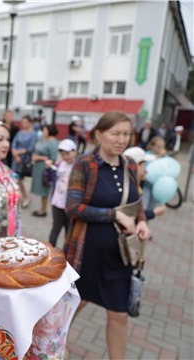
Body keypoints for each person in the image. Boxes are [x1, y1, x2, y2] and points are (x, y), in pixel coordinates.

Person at [64, 111, 151, 360]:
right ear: (99, 134)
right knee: (70, 308)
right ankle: (58, 344)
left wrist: (142, 222)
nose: (121, 139)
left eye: (126, 134)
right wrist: (114, 216)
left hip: (120, 256)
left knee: (119, 314)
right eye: (115, 133)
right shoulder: (85, 163)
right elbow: (73, 207)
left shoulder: (130, 165)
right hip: (86, 253)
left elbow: (136, 203)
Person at [123, 147, 166, 220]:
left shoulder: (135, 183)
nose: (146, 170)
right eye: (144, 165)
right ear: (137, 165)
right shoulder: (129, 187)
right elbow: (132, 215)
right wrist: (154, 212)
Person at [48, 139, 77, 247]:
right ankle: (50, 252)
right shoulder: (59, 165)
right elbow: (47, 180)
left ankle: (67, 256)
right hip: (57, 202)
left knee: (69, 232)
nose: (65, 157)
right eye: (63, 154)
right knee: (56, 228)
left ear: (75, 151)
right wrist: (47, 169)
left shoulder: (79, 167)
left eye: (68, 153)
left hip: (71, 205)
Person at [30, 124, 59, 217]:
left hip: (45, 170)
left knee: (44, 190)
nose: (43, 132)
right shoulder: (45, 140)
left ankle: (43, 210)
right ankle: (42, 208)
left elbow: (53, 158)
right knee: (42, 190)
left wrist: (38, 157)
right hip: (39, 169)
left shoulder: (53, 142)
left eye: (45, 130)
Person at [11, 115, 37, 208]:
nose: (23, 124)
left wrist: (18, 153)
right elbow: (13, 143)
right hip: (16, 158)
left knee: (19, 179)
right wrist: (15, 153)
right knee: (14, 179)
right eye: (22, 122)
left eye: (25, 122)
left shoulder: (33, 133)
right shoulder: (19, 132)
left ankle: (25, 197)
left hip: (24, 159)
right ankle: (17, 197)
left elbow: (30, 148)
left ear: (30, 123)